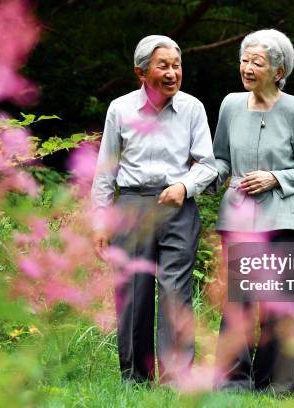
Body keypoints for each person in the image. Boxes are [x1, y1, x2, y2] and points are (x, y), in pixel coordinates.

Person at [90, 35, 217, 384]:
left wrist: (185, 186)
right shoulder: (120, 109)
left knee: (177, 291)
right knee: (133, 292)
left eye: (177, 66)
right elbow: (106, 171)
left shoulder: (192, 108)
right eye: (164, 66)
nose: (173, 73)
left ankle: (177, 379)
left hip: (178, 205)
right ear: (141, 72)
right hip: (131, 204)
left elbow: (208, 164)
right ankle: (135, 377)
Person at [212, 29, 294, 394]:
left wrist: (275, 177)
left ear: (278, 71)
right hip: (238, 217)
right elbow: (221, 160)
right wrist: (195, 182)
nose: (247, 68)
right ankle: (233, 384)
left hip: (282, 219)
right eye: (244, 60)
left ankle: (275, 387)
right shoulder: (230, 104)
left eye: (256, 62)